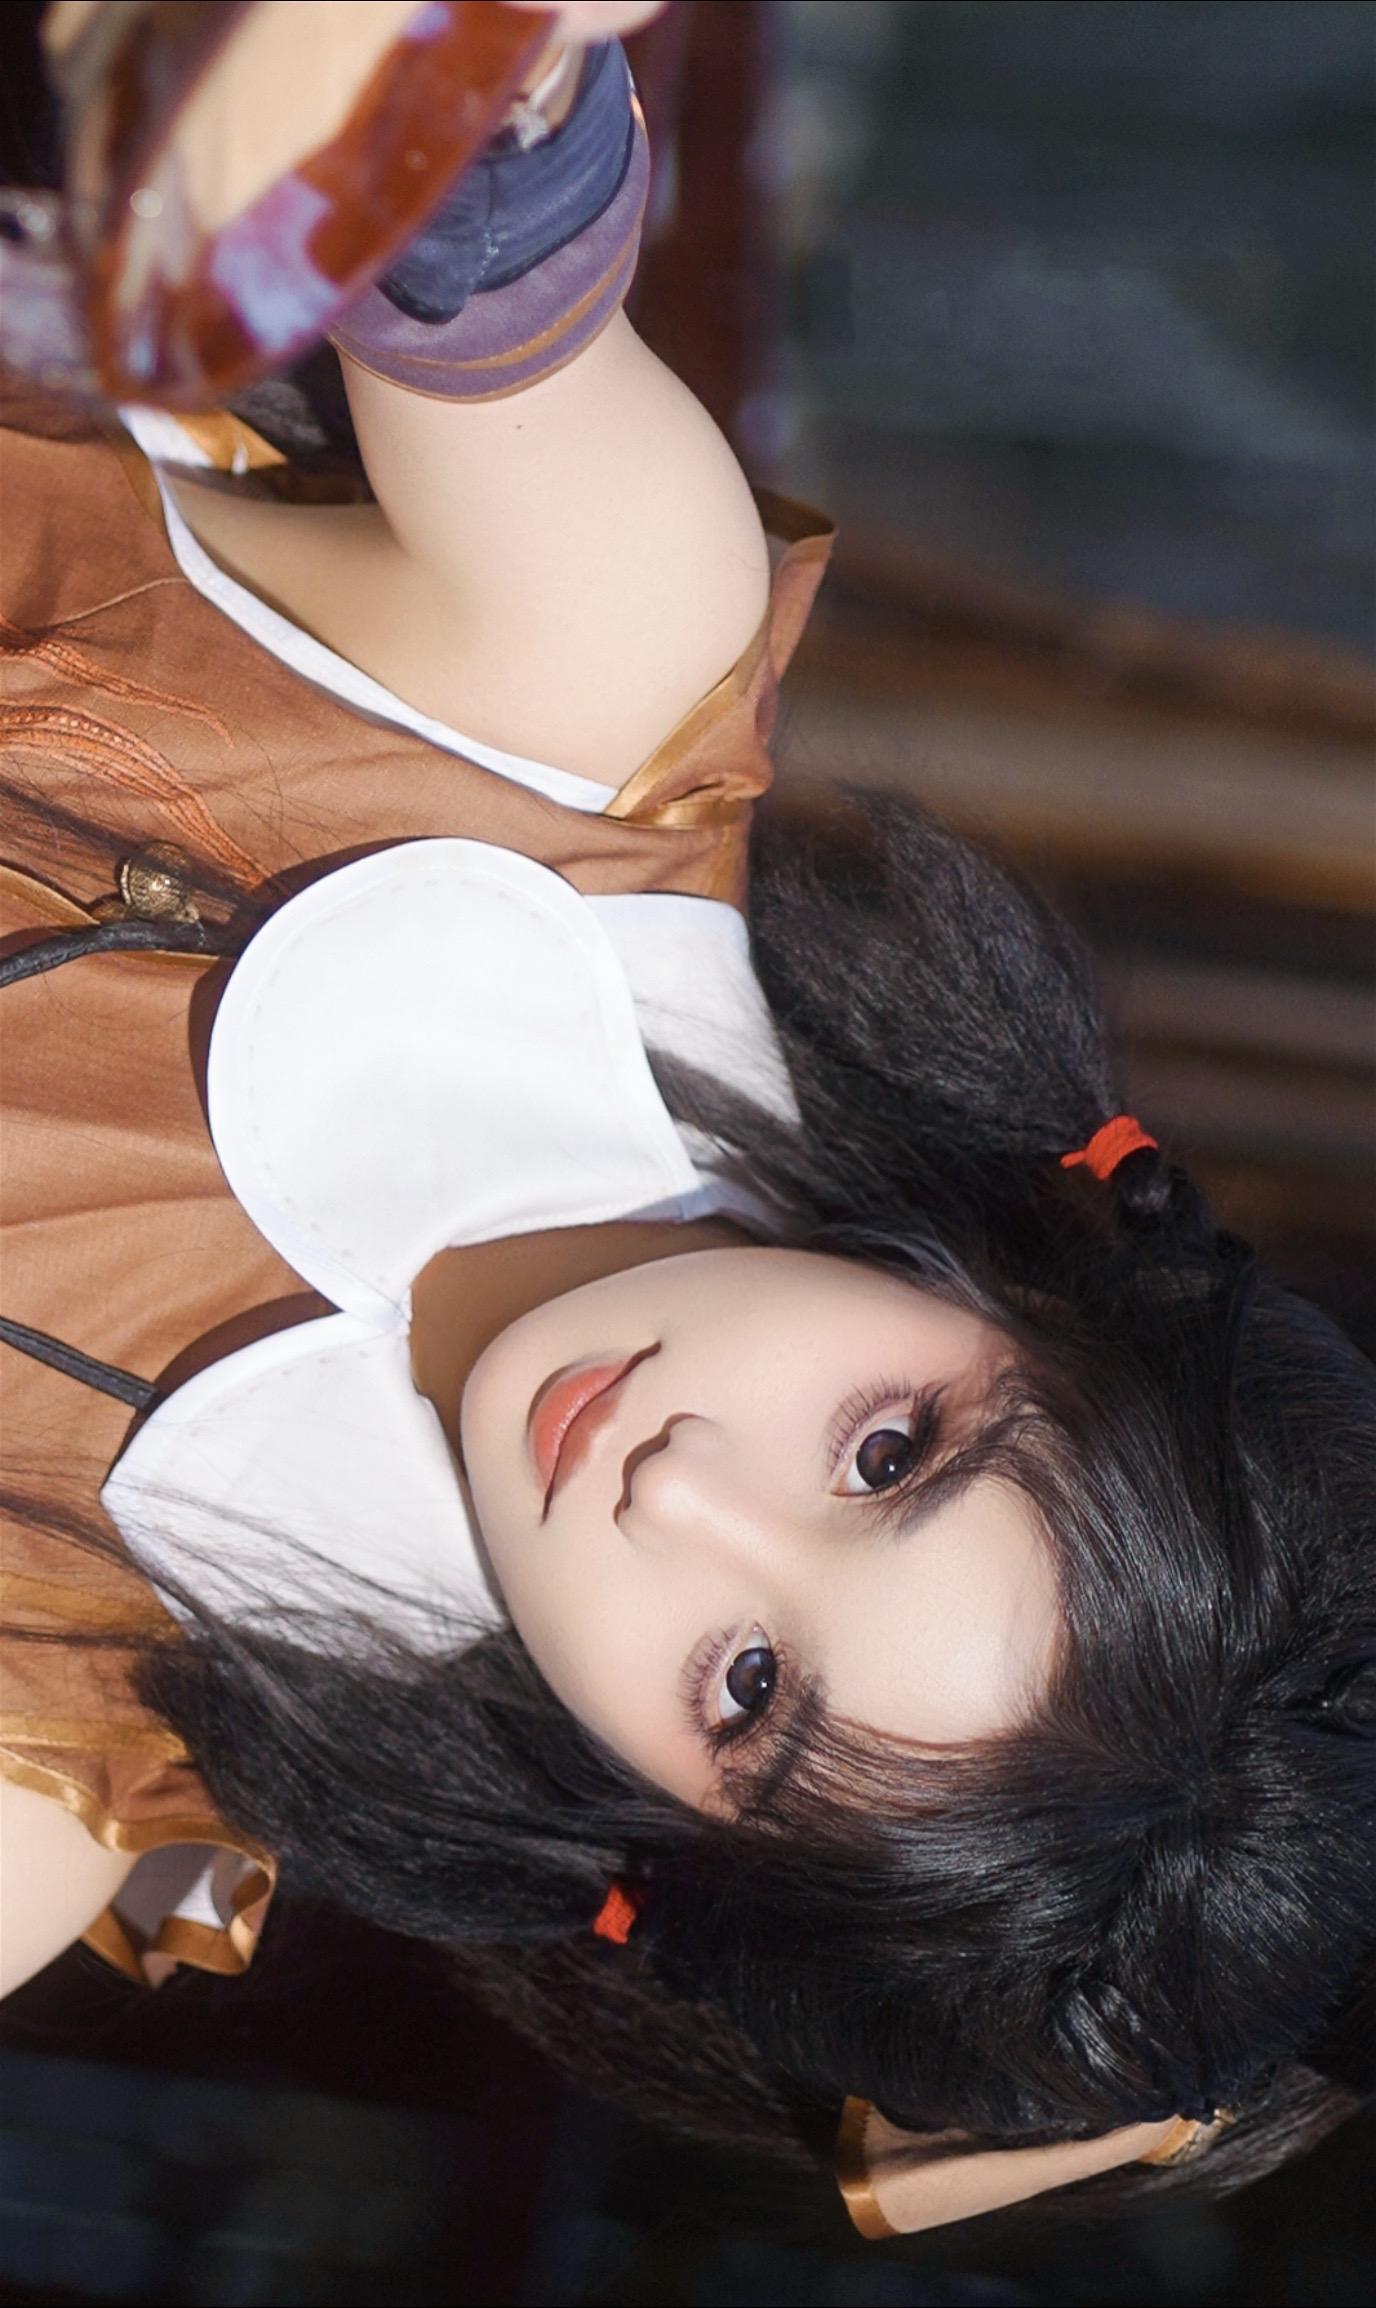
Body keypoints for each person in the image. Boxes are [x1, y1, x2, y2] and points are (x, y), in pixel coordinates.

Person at [1, 0, 1371, 2239]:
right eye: (888, 1454)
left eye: (746, 1690)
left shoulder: (55, 1760)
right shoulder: (586, 713)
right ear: (1031, 1283)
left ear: (657, 1840)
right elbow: (456, 185)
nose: (678, 1489)